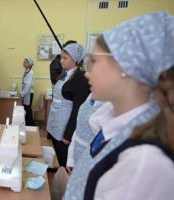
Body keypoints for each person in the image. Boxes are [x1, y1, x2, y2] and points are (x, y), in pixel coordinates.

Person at [65, 12, 174, 200]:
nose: (87, 72)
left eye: (94, 61)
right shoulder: (113, 119)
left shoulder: (144, 163)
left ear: (125, 66)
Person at [46, 43, 90, 167]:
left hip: (65, 128)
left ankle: (64, 182)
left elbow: (78, 110)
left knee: (63, 158)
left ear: (75, 59)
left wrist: (68, 134)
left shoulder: (81, 78)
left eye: (65, 58)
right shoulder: (63, 75)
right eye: (61, 57)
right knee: (57, 154)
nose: (61, 61)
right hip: (56, 124)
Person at [21, 58, 35, 126]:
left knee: (28, 109)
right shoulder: (26, 71)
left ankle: (30, 125)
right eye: (24, 62)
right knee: (26, 108)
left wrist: (22, 94)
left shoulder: (30, 72)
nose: (23, 63)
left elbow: (28, 85)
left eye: (25, 62)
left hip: (29, 93)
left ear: (29, 64)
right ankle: (29, 123)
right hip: (26, 93)